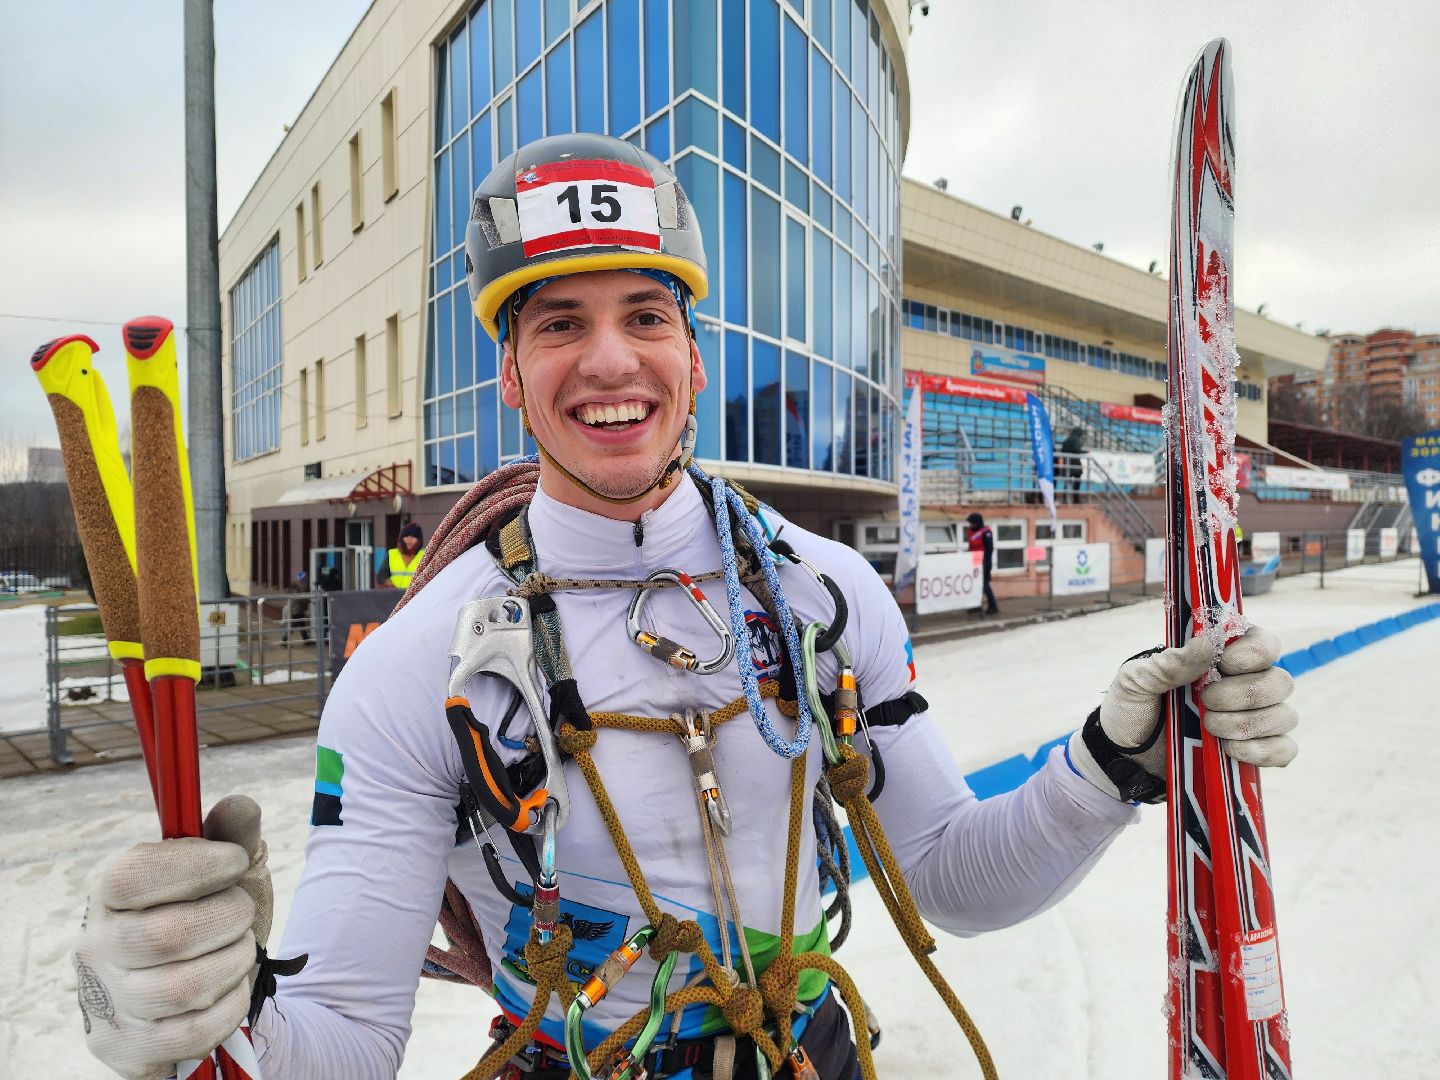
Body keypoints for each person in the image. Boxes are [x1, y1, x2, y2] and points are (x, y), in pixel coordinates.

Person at [72, 134, 1300, 1080]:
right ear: (511, 378)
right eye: (560, 324)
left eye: (645, 316)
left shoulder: (825, 593)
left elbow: (953, 880)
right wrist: (198, 1012)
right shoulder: (417, 667)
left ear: (695, 357)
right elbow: (341, 1041)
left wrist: (1116, 760)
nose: (610, 360)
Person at [965, 511, 999, 616]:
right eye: (970, 523)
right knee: (975, 584)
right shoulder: (970, 531)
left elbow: (989, 549)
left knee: (984, 585)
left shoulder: (986, 532)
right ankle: (976, 605)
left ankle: (993, 606)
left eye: (972, 523)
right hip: (974, 561)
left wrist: (986, 565)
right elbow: (970, 547)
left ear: (978, 522)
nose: (970, 525)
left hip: (984, 561)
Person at [380, 521, 425, 590]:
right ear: (401, 538)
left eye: (413, 536)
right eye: (406, 536)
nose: (409, 539)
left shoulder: (425, 555)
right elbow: (382, 576)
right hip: (394, 594)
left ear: (419, 540)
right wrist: (389, 585)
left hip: (417, 595)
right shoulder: (392, 554)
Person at [1058, 426, 1086, 504]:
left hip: (1067, 464)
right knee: (1077, 483)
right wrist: (1086, 452)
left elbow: (1062, 452)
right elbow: (1077, 450)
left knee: (1067, 483)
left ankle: (1065, 499)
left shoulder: (1066, 440)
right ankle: (1076, 499)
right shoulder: (1076, 440)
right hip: (1075, 464)